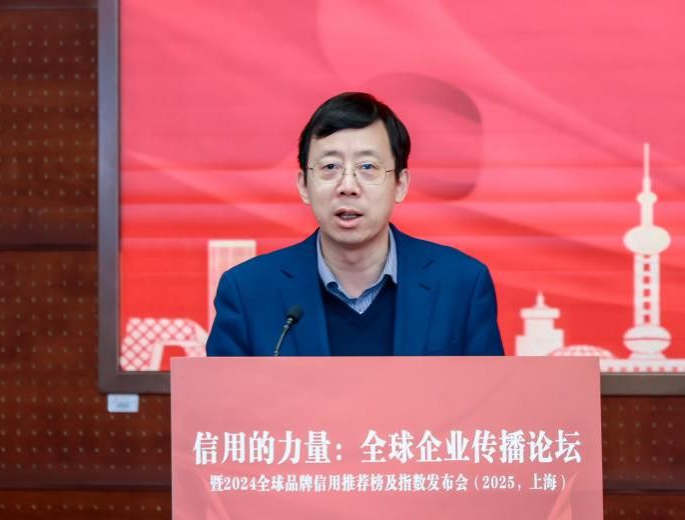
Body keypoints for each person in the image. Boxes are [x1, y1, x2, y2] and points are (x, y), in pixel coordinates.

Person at [206, 92, 504, 357]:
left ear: (400, 184)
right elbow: (225, 401)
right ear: (304, 186)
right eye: (330, 167)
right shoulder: (248, 291)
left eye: (367, 167)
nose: (348, 186)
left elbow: (488, 399)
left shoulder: (461, 284)